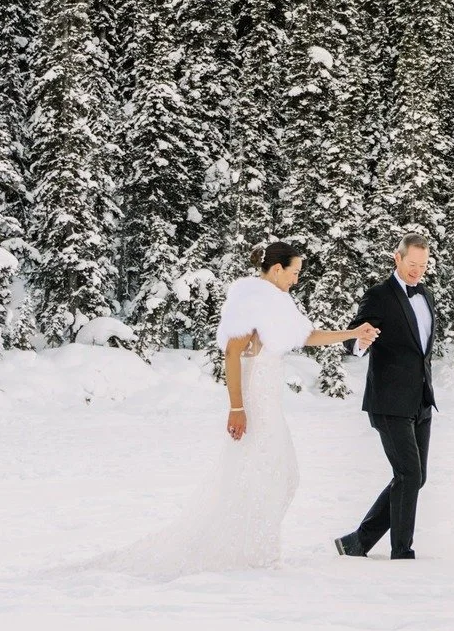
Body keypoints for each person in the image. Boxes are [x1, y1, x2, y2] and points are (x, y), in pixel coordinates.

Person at [89, 241, 377, 577]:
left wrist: (353, 333)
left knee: (283, 477)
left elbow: (307, 335)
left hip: (271, 401)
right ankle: (254, 553)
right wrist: (237, 407)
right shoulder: (252, 300)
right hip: (254, 400)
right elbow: (232, 353)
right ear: (277, 269)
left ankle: (252, 546)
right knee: (266, 475)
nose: (296, 280)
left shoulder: (278, 301)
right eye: (294, 273)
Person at [334, 232, 442, 561]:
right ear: (397, 258)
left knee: (415, 477)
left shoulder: (426, 295)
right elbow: (352, 342)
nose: (417, 271)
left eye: (423, 265)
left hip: (420, 399)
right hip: (390, 401)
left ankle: (358, 542)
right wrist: (362, 339)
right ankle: (401, 552)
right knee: (408, 474)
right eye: (412, 264)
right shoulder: (379, 295)